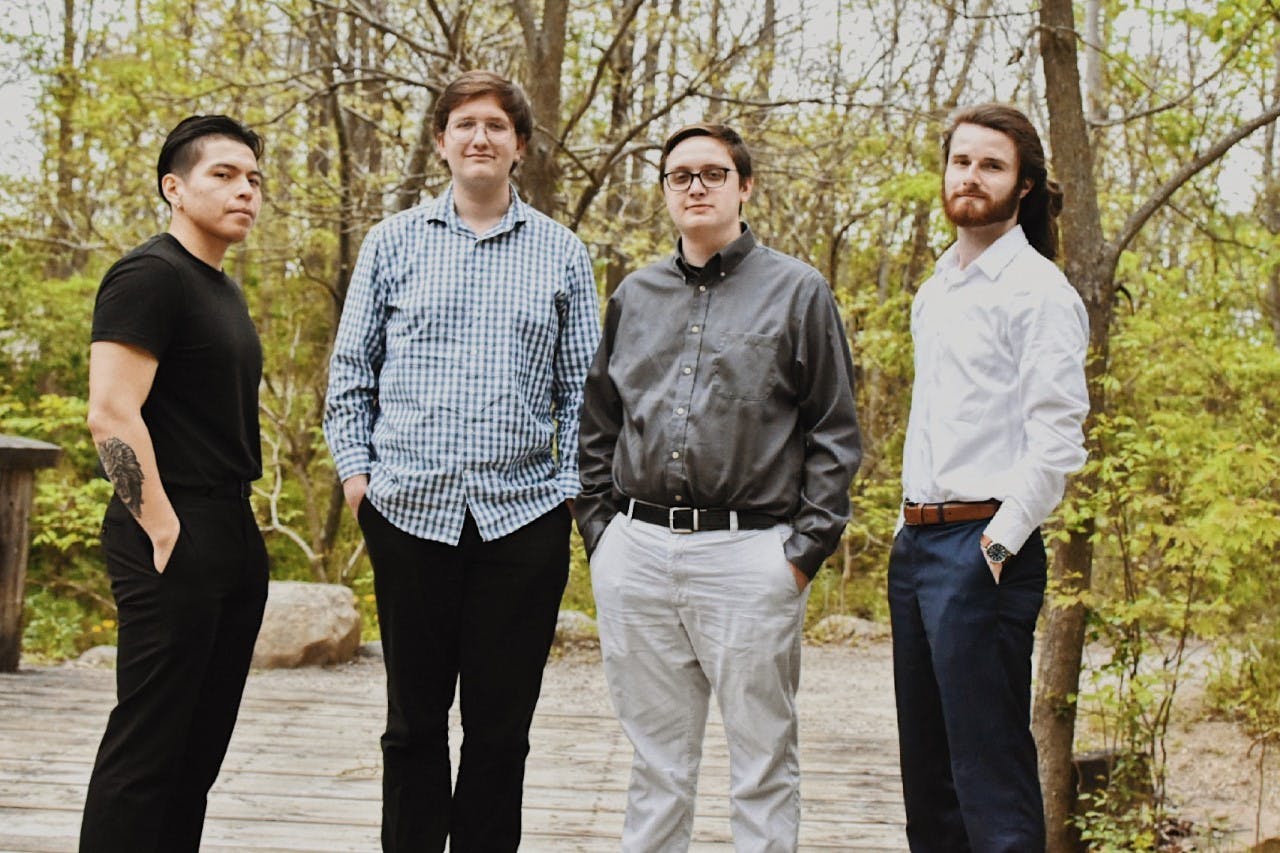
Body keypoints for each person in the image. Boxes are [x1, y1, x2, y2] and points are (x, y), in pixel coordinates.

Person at [323, 70, 600, 852]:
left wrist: (571, 496)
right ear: (441, 141)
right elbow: (350, 377)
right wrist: (358, 482)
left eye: (497, 126)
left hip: (522, 522)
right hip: (408, 513)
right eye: (464, 123)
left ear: (518, 146)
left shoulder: (562, 254)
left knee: (500, 730)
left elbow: (583, 393)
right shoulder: (392, 242)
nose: (480, 136)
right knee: (412, 724)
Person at [575, 123, 862, 851]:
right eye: (680, 176)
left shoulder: (799, 292)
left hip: (751, 555)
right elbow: (598, 421)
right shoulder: (634, 295)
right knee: (655, 762)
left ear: (745, 185)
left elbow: (834, 430)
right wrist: (601, 534)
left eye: (711, 173)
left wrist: (800, 553)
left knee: (762, 761)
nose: (695, 186)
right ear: (667, 191)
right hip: (634, 551)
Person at [888, 103, 1090, 852]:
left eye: (992, 165)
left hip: (985, 546)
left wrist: (997, 546)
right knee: (930, 779)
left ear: (1025, 186)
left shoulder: (1039, 293)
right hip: (917, 545)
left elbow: (1057, 441)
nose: (971, 177)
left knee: (990, 774)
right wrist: (904, 527)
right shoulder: (936, 289)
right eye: (961, 161)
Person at [80, 115, 268, 853]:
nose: (244, 190)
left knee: (196, 757)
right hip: (170, 527)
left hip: (228, 527)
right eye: (223, 174)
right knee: (148, 751)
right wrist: (163, 527)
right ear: (174, 186)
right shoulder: (149, 275)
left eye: (253, 178)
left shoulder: (220, 289)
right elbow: (111, 412)